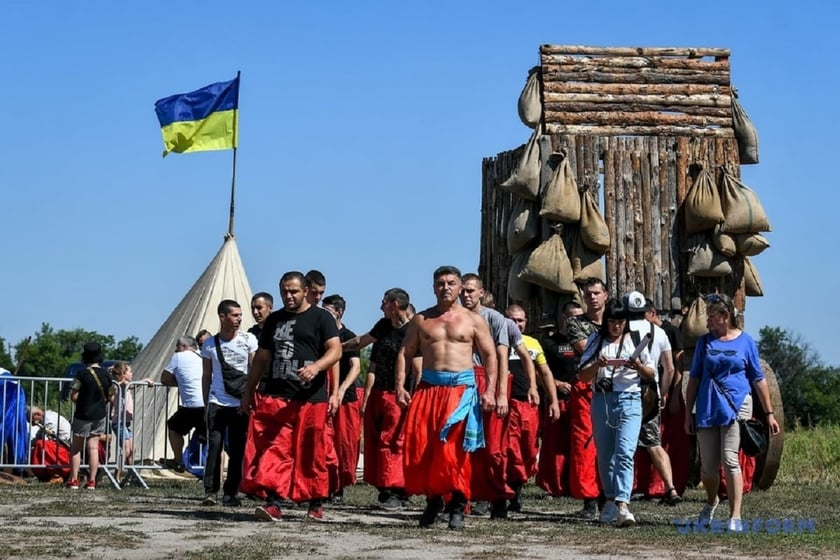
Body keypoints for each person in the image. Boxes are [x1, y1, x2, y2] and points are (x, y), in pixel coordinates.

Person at [396, 266, 498, 531]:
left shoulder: (473, 320)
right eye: (440, 283)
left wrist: (491, 390)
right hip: (428, 389)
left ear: (460, 287)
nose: (446, 288)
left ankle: (457, 506)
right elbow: (405, 353)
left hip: (461, 391)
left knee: (456, 451)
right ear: (433, 288)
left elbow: (489, 355)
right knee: (425, 447)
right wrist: (400, 386)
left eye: (451, 283)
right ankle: (433, 500)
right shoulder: (421, 320)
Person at [240, 271, 342, 522]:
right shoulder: (274, 320)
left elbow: (335, 350)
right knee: (275, 449)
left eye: (293, 291)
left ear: (306, 290)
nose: (288, 296)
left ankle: (315, 503)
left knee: (312, 452)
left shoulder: (322, 317)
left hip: (311, 398)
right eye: (284, 291)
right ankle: (274, 503)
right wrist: (249, 390)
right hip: (278, 396)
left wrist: (316, 367)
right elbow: (262, 357)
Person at [684, 293, 780, 532]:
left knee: (730, 459)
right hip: (708, 406)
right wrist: (687, 413)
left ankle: (735, 515)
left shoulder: (746, 342)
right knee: (708, 468)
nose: (707, 323)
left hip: (737, 407)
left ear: (725, 316)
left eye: (711, 318)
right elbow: (694, 379)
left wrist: (769, 413)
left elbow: (758, 379)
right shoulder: (704, 343)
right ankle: (711, 500)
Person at [579, 298, 655, 527]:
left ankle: (623, 503)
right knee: (605, 453)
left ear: (626, 322)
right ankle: (610, 499)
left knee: (625, 451)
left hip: (630, 398)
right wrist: (598, 365)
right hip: (602, 399)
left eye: (620, 322)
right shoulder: (596, 340)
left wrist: (637, 366)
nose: (616, 326)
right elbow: (582, 375)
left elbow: (651, 374)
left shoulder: (636, 339)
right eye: (612, 321)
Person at [459, 273, 511, 518]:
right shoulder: (455, 317)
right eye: (462, 291)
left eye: (470, 290)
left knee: (493, 446)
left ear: (481, 292)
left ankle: (497, 497)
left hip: (488, 379)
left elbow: (502, 357)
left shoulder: (494, 318)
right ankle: (463, 497)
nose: (465, 295)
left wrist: (501, 393)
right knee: (464, 444)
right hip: (461, 381)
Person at [623, 291, 682, 505]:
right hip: (651, 392)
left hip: (626, 390)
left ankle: (623, 490)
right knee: (654, 443)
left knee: (624, 443)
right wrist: (663, 392)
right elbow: (670, 368)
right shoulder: (659, 332)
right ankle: (671, 488)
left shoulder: (622, 330)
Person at [359, 288, 414, 510]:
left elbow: (418, 367)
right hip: (379, 392)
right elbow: (363, 345)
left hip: (399, 395)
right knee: (377, 442)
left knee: (393, 441)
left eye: (384, 302)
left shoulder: (412, 330)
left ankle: (395, 490)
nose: (381, 306)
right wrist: (336, 347)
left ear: (394, 304)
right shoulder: (382, 326)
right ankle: (385, 486)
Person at [200, 300, 258, 507]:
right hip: (217, 401)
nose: (239, 319)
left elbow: (254, 370)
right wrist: (206, 403)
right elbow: (206, 375)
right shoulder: (209, 344)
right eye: (234, 315)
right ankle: (210, 491)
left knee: (237, 449)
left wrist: (250, 398)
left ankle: (231, 492)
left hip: (240, 403)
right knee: (214, 446)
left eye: (240, 315)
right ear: (222, 317)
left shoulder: (248, 339)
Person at [504, 304, 560, 512]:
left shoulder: (533, 344)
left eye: (520, 320)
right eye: (512, 320)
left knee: (529, 448)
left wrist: (553, 400)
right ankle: (509, 492)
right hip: (507, 404)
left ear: (526, 322)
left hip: (529, 405)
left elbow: (545, 373)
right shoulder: (498, 341)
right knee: (509, 449)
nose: (517, 324)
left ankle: (519, 483)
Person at [565, 278, 608, 518]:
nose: (592, 297)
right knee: (585, 444)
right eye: (588, 294)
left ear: (605, 295)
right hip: (586, 386)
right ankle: (589, 499)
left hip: (613, 386)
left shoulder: (616, 321)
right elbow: (586, 349)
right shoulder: (576, 323)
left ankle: (610, 495)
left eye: (596, 293)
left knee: (611, 442)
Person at [536, 302, 581, 497]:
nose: (576, 321)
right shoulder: (550, 343)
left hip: (581, 401)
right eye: (572, 317)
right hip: (559, 399)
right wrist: (556, 384)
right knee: (555, 444)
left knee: (578, 444)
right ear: (564, 317)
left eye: (579, 317)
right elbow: (538, 372)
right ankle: (554, 485)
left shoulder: (586, 341)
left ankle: (576, 484)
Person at [646, 297, 689, 497]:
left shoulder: (671, 332)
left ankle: (672, 484)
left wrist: (673, 396)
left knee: (672, 441)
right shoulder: (644, 334)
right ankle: (651, 485)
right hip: (651, 394)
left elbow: (678, 365)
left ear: (653, 313)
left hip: (669, 393)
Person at [322, 294, 362, 503]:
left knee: (344, 443)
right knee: (323, 441)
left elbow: (356, 367)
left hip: (346, 398)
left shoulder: (348, 335)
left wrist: (341, 389)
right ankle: (323, 484)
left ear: (339, 312)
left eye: (328, 311)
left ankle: (339, 486)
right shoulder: (320, 333)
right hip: (321, 395)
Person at [66, 342, 116, 490]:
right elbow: (111, 397)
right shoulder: (107, 375)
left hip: (82, 414)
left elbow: (74, 396)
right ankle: (92, 481)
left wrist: (82, 400)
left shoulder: (81, 374)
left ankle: (74, 480)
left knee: (76, 448)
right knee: (93, 448)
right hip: (99, 415)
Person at [160, 336, 205, 473]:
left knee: (173, 427)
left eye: (178, 346)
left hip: (192, 405)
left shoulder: (178, 357)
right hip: (209, 404)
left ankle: (178, 461)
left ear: (184, 346)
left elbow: (164, 378)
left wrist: (179, 383)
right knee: (214, 440)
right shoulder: (203, 356)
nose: (176, 349)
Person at [108, 361, 136, 484]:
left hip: (125, 422)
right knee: (126, 449)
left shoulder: (125, 385)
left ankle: (130, 475)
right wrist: (146, 380)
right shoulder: (122, 385)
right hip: (119, 422)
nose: (132, 373)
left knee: (132, 449)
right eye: (130, 371)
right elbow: (129, 385)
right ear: (123, 374)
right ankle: (117, 475)